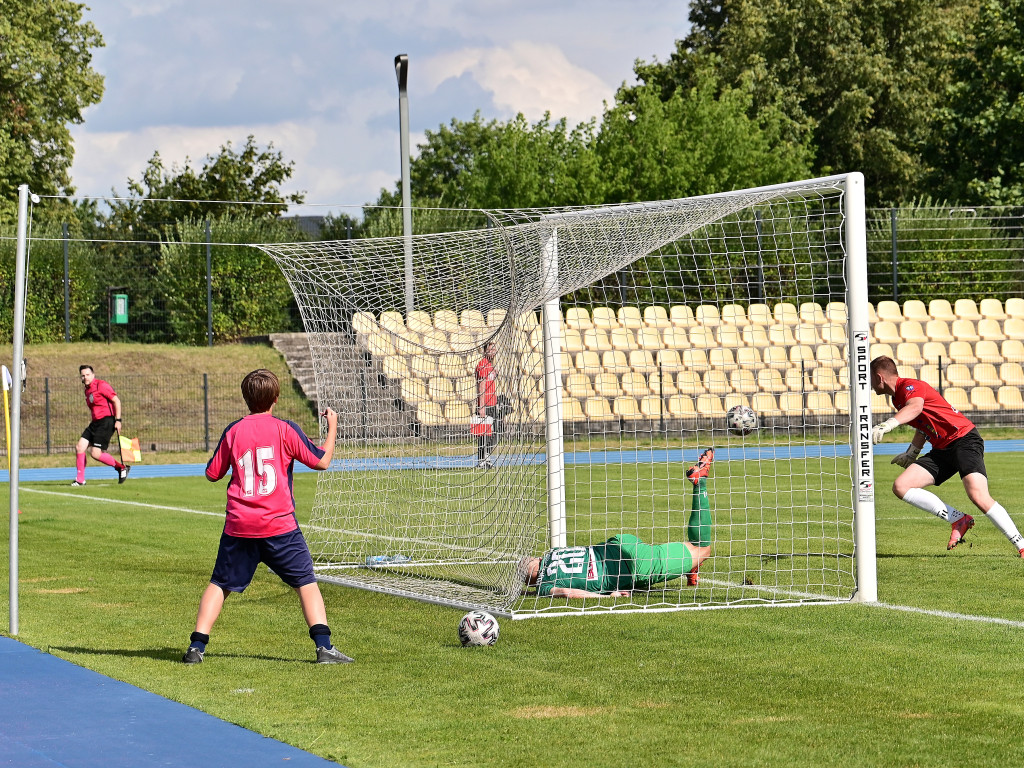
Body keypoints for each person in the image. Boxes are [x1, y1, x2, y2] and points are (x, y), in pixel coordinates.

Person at [182, 369, 353, 665]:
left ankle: (196, 648)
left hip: (240, 526)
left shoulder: (233, 430)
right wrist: (332, 427)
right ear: (275, 398)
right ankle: (324, 648)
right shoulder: (285, 429)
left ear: (246, 398)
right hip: (279, 525)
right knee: (306, 581)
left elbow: (212, 474)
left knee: (220, 583)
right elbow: (322, 461)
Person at [870, 355, 1024, 556]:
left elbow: (915, 408)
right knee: (901, 486)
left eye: (869, 378)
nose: (869, 385)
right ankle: (958, 520)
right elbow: (923, 425)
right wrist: (912, 453)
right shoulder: (896, 399)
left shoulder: (909, 386)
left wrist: (888, 424)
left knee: (978, 495)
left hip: (964, 440)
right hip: (942, 449)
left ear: (879, 377)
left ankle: (1021, 544)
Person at [521, 448, 714, 596]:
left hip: (631, 566)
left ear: (532, 581)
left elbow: (567, 593)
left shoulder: (544, 585)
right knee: (692, 552)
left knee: (702, 549)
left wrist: (608, 596)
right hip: (619, 544)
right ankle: (691, 567)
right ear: (537, 559)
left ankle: (700, 482)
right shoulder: (552, 553)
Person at [72, 365, 129, 487]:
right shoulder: (87, 390)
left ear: (93, 375)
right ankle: (80, 480)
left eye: (88, 374)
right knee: (80, 447)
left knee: (95, 453)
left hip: (106, 421)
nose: (85, 377)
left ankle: (121, 468)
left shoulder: (101, 385)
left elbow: (116, 401)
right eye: (83, 375)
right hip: (95, 423)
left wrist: (118, 420)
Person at [474, 341, 498, 468]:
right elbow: (481, 387)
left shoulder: (490, 365)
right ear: (485, 351)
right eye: (490, 349)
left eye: (494, 349)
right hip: (485, 405)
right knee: (484, 435)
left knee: (493, 433)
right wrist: (481, 407)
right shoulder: (482, 365)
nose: (493, 351)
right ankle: (482, 460)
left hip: (493, 403)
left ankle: (486, 458)